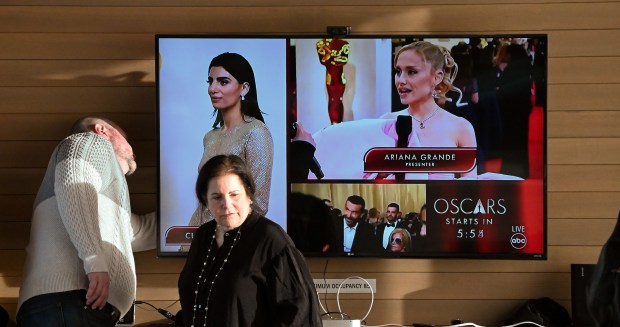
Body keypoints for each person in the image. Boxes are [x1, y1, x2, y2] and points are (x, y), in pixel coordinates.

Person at [17, 116, 156, 327]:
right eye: (125, 136)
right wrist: (94, 261)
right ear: (102, 130)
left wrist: (213, 202)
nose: (131, 146)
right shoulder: (91, 141)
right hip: (70, 304)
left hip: (71, 306)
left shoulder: (104, 199)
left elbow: (140, 233)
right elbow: (73, 180)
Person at [178, 155, 321, 326]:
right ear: (205, 200)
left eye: (234, 195)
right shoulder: (202, 236)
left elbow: (300, 315)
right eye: (217, 197)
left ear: (249, 195)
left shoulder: (272, 240)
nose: (226, 204)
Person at [188, 52, 274, 228]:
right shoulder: (210, 137)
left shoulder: (256, 132)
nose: (213, 88)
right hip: (196, 234)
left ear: (244, 88)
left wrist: (224, 239)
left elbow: (258, 204)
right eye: (210, 81)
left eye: (223, 82)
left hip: (228, 240)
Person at [379, 40, 478, 179]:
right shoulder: (385, 123)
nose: (400, 80)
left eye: (411, 72)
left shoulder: (461, 127)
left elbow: (470, 190)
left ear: (437, 77)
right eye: (398, 71)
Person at [316, 38, 350, 124]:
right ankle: (333, 124)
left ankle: (339, 124)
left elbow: (344, 60)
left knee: (339, 99)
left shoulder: (343, 43)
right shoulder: (321, 43)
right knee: (331, 100)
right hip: (330, 78)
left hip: (340, 78)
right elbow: (323, 60)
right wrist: (335, 57)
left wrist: (330, 56)